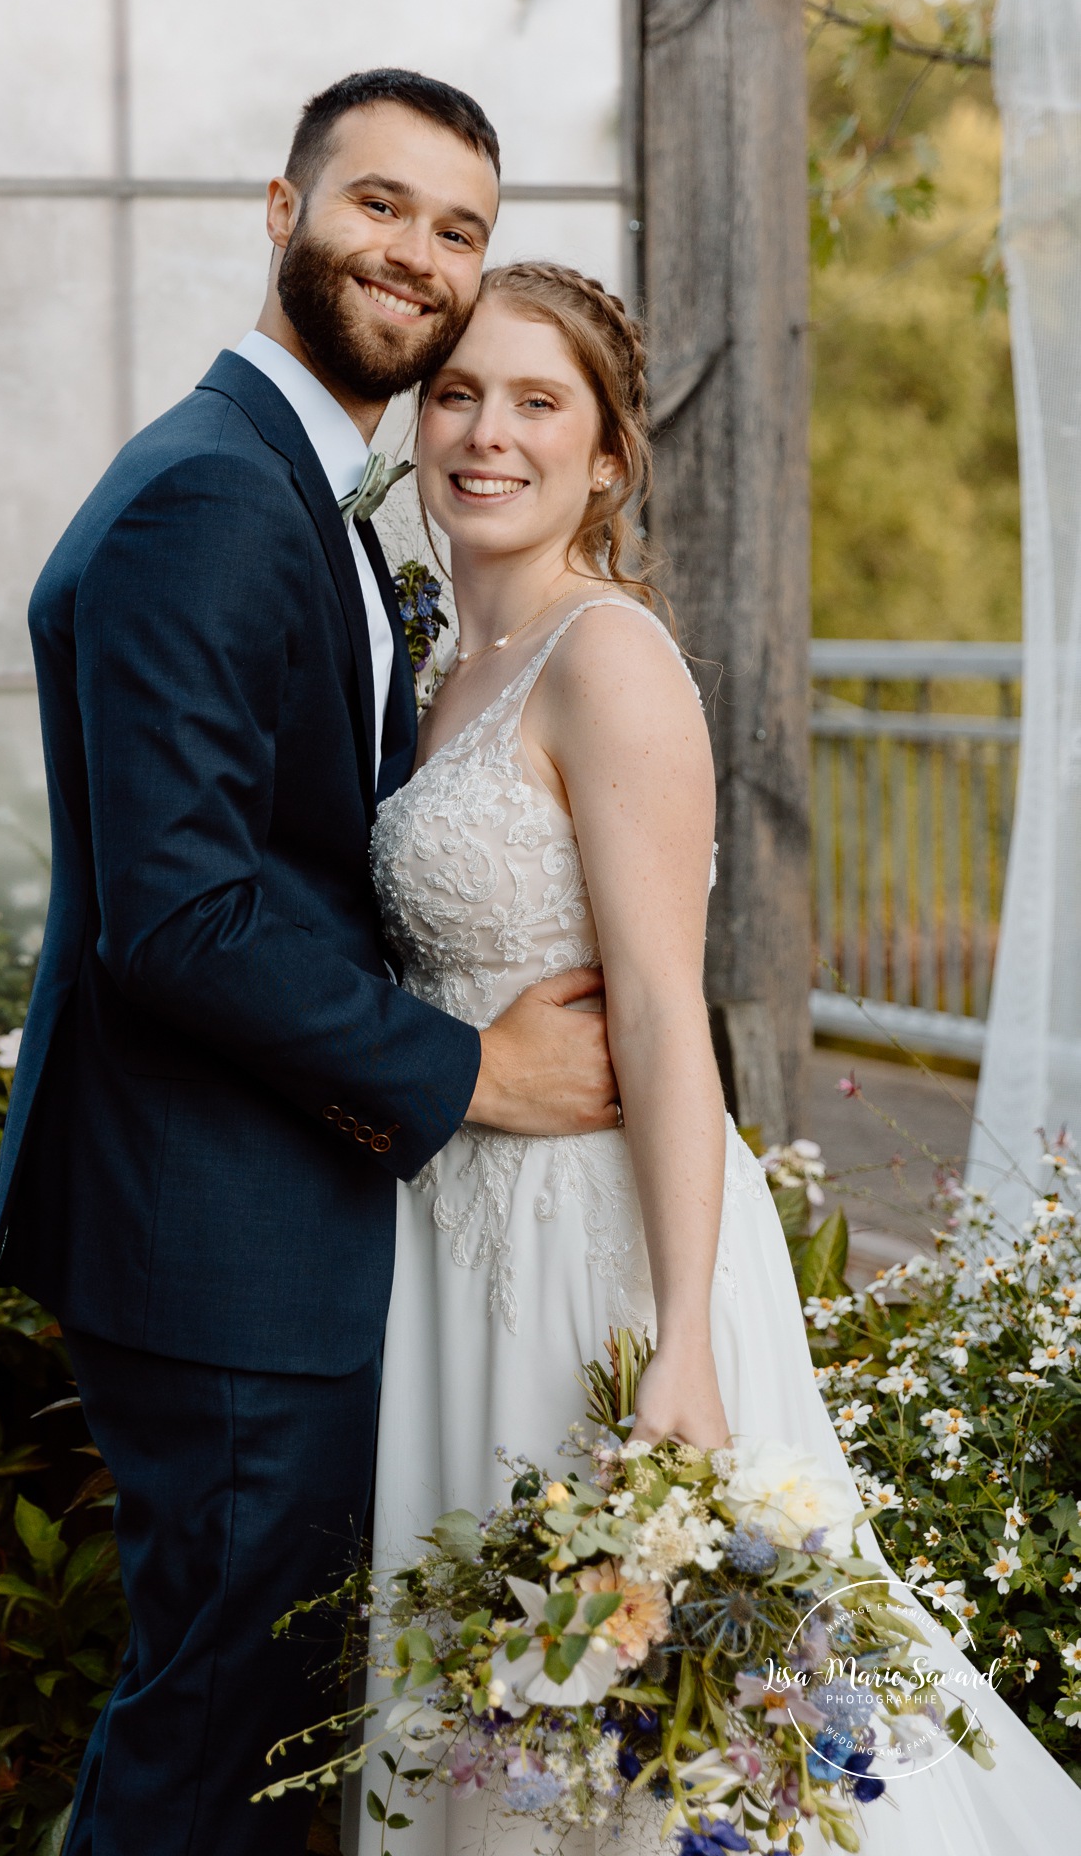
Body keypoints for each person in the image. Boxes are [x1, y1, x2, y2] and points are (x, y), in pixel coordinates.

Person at [0, 73, 620, 1856]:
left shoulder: (292, 488)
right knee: (218, 1739)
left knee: (249, 1728)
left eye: (459, 229)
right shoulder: (212, 497)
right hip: (222, 1241)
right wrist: (474, 1073)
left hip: (256, 1222)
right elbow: (180, 916)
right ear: (283, 208)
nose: (417, 255)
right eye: (380, 204)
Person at [357, 259, 1081, 1854]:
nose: (486, 433)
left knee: (656, 1733)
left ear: (606, 455)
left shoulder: (602, 658)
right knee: (501, 1718)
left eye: (537, 403)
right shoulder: (436, 671)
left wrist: (682, 1338)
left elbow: (665, 1016)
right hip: (456, 1238)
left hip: (606, 1252)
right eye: (457, 393)